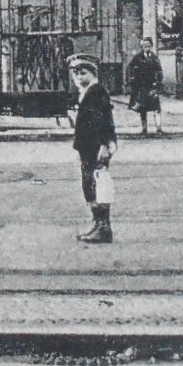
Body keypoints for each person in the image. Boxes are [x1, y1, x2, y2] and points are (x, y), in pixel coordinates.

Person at [69, 56, 118, 243]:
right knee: (90, 184)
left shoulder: (96, 92)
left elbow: (105, 121)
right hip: (88, 147)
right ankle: (98, 225)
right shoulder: (87, 92)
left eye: (83, 73)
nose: (79, 77)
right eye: (76, 73)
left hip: (96, 147)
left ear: (93, 74)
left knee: (98, 184)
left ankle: (103, 228)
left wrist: (105, 145)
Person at [124, 44, 164, 136]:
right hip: (141, 86)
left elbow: (159, 70)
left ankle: (158, 128)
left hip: (152, 86)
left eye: (149, 46)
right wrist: (132, 79)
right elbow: (130, 68)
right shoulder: (138, 57)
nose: (147, 48)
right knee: (143, 109)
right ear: (142, 47)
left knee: (156, 107)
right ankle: (144, 129)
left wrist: (157, 82)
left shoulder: (154, 58)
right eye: (145, 46)